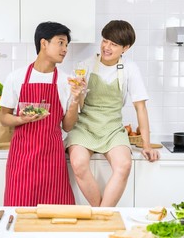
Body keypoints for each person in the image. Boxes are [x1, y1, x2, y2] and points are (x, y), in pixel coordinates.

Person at [65, 20, 160, 207]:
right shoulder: (85, 66)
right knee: (78, 163)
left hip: (112, 128)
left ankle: (102, 215)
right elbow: (73, 105)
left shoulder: (130, 69)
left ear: (126, 47)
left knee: (124, 165)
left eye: (113, 44)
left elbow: (140, 107)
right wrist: (78, 93)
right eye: (105, 41)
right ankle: (102, 214)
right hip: (84, 127)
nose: (106, 47)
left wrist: (146, 145)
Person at [0, 21, 86, 206]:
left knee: (55, 215)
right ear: (43, 43)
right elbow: (3, 117)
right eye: (60, 42)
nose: (65, 49)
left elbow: (67, 125)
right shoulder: (16, 77)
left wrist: (76, 98)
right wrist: (20, 118)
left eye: (67, 45)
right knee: (18, 211)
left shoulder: (66, 81)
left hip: (52, 157)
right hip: (22, 157)